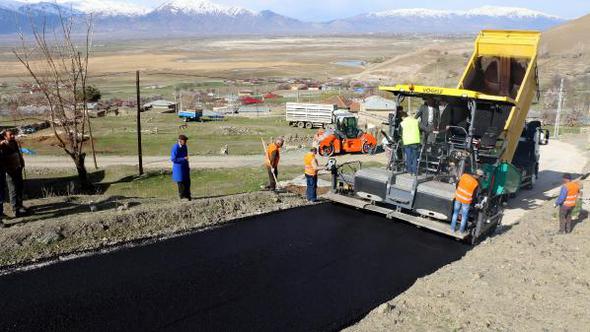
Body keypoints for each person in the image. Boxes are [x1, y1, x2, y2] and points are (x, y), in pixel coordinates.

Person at [1, 129, 26, 217]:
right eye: (10, 135)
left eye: (13, 134)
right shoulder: (3, 144)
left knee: (20, 187)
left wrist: (22, 162)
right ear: (5, 136)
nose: (12, 136)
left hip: (18, 168)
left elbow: (18, 153)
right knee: (13, 190)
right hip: (10, 171)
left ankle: (20, 205)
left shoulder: (14, 142)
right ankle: (15, 210)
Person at [171, 134, 191, 201]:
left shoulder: (185, 146)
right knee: (181, 183)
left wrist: (187, 166)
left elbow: (186, 157)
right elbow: (173, 159)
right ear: (179, 140)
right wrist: (183, 159)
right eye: (184, 140)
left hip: (185, 167)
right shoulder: (175, 147)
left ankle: (188, 196)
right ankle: (182, 197)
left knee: (187, 182)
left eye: (185, 141)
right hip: (178, 169)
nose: (185, 142)